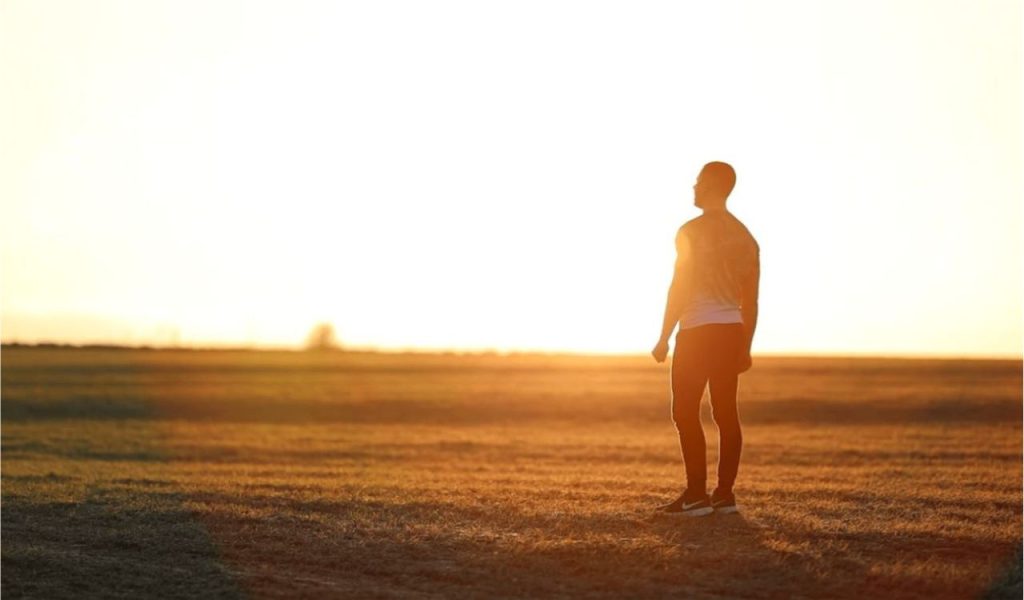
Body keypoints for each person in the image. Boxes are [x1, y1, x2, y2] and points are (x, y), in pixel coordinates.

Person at [651, 161, 760, 517]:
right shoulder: (746, 237)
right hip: (730, 331)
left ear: (712, 184)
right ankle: (724, 495)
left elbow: (679, 285)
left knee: (684, 412)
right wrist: (745, 345)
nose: (693, 188)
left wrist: (664, 335)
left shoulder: (691, 231)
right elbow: (751, 301)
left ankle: (696, 495)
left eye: (698, 182)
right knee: (726, 413)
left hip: (698, 331)